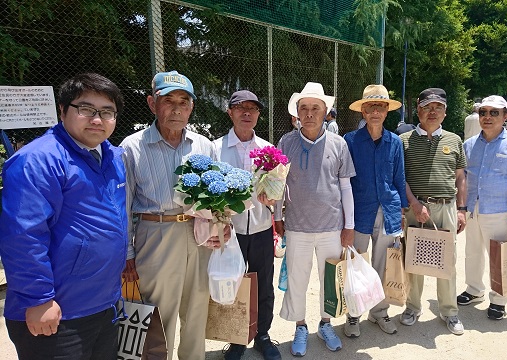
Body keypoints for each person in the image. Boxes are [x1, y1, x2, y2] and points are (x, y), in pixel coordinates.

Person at [0, 73, 127, 359]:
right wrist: (38, 299)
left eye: (107, 112)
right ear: (62, 110)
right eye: (86, 109)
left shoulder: (112, 157)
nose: (97, 119)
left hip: (102, 303)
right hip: (56, 311)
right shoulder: (38, 160)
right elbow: (23, 235)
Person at [120, 70, 225, 360]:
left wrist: (221, 226)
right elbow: (123, 205)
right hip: (156, 236)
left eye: (184, 101)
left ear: (191, 107)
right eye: (168, 100)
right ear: (152, 104)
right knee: (157, 315)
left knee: (196, 311)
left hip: (199, 235)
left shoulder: (204, 145)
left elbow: (218, 198)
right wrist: (127, 253)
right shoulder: (132, 147)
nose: (176, 108)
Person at [273, 82, 356, 357]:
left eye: (315, 108)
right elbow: (277, 183)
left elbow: (345, 187)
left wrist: (349, 226)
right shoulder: (285, 142)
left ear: (325, 112)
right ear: (297, 113)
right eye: (304, 108)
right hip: (296, 226)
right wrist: (277, 216)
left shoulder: (338, 143)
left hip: (332, 227)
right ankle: (299, 327)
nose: (309, 113)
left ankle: (325, 323)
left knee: (330, 279)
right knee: (297, 279)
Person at [213, 90, 281, 360]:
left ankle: (262, 335)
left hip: (262, 229)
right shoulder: (215, 148)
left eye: (252, 108)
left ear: (258, 115)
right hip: (231, 232)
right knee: (233, 284)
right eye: (240, 107)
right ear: (230, 112)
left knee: (264, 284)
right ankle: (237, 338)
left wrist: (273, 200)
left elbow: (279, 189)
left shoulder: (267, 149)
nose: (246, 113)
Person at [457, 95, 507, 320]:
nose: (487, 117)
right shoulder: (469, 145)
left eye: (493, 113)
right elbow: (461, 177)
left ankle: (499, 299)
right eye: (483, 112)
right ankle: (474, 289)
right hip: (473, 209)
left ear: (505, 116)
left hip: (500, 211)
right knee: (472, 253)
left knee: (499, 257)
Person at [399, 88, 467, 335]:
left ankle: (449, 311)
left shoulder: (454, 140)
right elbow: (401, 178)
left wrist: (462, 209)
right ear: (418, 109)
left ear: (445, 112)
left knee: (447, 261)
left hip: (446, 207)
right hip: (415, 209)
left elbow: (460, 177)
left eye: (438, 107)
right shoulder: (404, 140)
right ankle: (412, 307)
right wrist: (414, 204)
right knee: (414, 260)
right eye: (427, 107)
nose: (432, 112)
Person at [342, 85, 408, 338]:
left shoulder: (394, 142)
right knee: (356, 264)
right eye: (371, 107)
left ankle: (379, 312)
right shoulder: (350, 141)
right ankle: (353, 315)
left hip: (387, 210)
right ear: (363, 111)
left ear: (386, 111)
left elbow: (399, 178)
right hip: (359, 211)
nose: (375, 112)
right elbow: (343, 180)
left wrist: (401, 209)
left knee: (382, 265)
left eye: (380, 107)